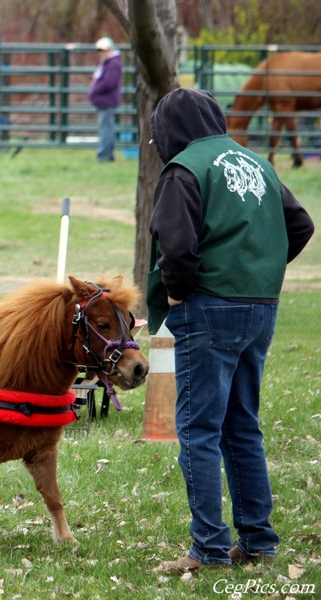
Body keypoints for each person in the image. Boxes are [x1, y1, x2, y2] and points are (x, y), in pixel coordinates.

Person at [147, 88, 314, 574]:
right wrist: (256, 270)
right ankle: (258, 542)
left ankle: (209, 548)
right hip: (260, 309)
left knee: (198, 431)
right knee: (242, 426)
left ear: (169, 130)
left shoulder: (184, 170)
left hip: (207, 309)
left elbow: (176, 248)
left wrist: (178, 292)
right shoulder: (257, 162)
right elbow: (300, 224)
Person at [88, 36, 122, 162]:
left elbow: (109, 83)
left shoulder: (113, 64)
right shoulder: (108, 63)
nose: (101, 53)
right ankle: (107, 155)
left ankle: (104, 155)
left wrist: (95, 90)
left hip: (106, 101)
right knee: (107, 127)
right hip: (105, 101)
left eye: (104, 50)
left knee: (106, 129)